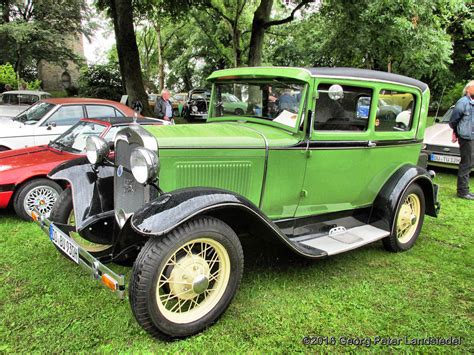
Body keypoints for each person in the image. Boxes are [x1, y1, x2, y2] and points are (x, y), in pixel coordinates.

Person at [449, 80, 474, 200]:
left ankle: (465, 190)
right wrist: (456, 131)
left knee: (469, 163)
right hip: (466, 138)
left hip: (472, 137)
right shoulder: (463, 102)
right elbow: (453, 120)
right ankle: (462, 192)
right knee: (466, 164)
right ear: (468, 89)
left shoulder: (472, 102)